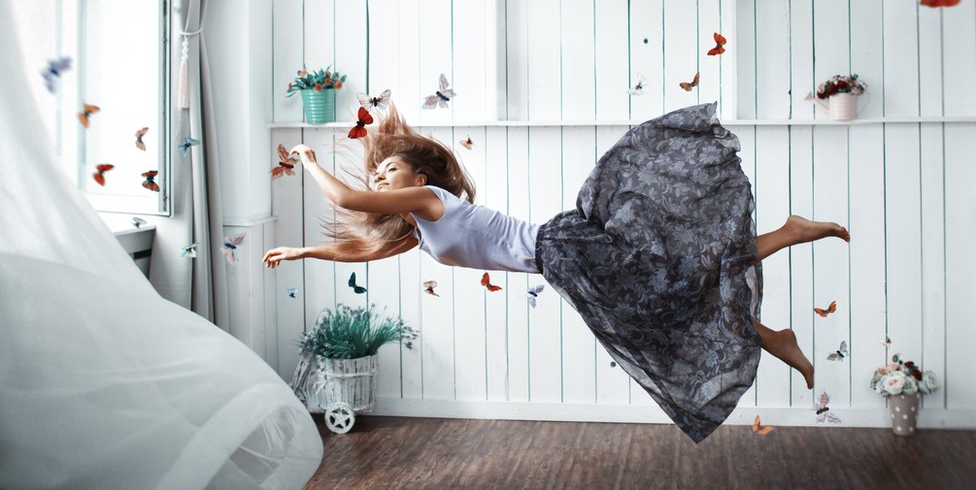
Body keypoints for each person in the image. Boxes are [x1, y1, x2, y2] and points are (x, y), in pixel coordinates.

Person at [264, 102, 850, 442]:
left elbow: (346, 199)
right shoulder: (419, 231)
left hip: (563, 249)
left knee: (671, 288)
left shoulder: (432, 201)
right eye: (377, 175)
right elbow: (360, 251)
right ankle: (770, 329)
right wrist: (302, 253)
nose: (379, 179)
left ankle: (786, 243)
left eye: (387, 170)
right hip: (565, 265)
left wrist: (309, 160)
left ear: (418, 180)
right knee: (668, 300)